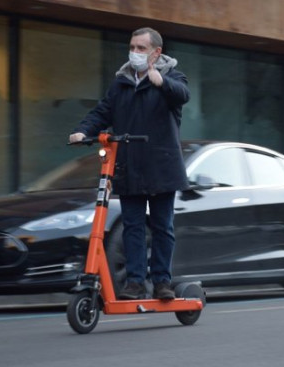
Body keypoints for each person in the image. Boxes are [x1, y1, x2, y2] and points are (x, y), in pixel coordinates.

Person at [69, 27, 189, 300]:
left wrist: (162, 82)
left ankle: (161, 282)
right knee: (132, 227)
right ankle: (134, 283)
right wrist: (82, 130)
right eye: (132, 47)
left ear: (156, 52)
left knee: (162, 227)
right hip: (129, 165)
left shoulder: (172, 77)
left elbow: (182, 95)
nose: (134, 53)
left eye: (141, 48)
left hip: (161, 165)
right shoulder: (121, 82)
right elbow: (102, 111)